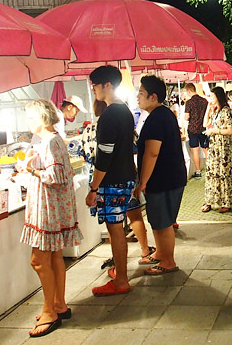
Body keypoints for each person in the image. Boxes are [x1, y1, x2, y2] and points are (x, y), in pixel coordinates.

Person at [17, 99, 83, 337]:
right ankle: (58, 304)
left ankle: (49, 311)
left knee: (38, 260)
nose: (28, 122)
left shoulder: (50, 143)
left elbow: (55, 176)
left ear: (43, 118)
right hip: (51, 207)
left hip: (48, 209)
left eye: (31, 118)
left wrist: (29, 169)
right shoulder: (52, 140)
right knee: (54, 256)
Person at [86, 66, 139, 296]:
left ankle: (121, 280)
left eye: (95, 85)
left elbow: (104, 156)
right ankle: (120, 272)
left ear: (107, 85)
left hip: (112, 180)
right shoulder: (124, 110)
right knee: (118, 227)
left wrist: (93, 187)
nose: (94, 90)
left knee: (115, 229)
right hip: (126, 176)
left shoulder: (110, 115)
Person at [134, 75, 187, 275]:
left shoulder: (157, 118)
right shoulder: (162, 115)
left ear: (153, 96)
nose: (138, 97)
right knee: (157, 219)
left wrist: (142, 181)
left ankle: (168, 261)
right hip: (167, 177)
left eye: (141, 93)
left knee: (163, 221)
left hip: (164, 179)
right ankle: (160, 254)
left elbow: (152, 152)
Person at [202, 87, 232, 213]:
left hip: (223, 147)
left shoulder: (226, 111)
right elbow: (205, 123)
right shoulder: (214, 111)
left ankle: (226, 202)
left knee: (224, 173)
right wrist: (208, 108)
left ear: (218, 96)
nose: (210, 98)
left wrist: (215, 131)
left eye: (212, 96)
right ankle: (210, 200)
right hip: (214, 147)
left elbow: (230, 130)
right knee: (212, 172)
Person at [183, 83, 209, 179]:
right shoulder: (204, 101)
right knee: (206, 149)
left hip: (193, 129)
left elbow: (186, 117)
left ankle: (198, 171)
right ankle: (210, 168)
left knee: (195, 150)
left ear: (189, 91)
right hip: (203, 128)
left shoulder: (189, 102)